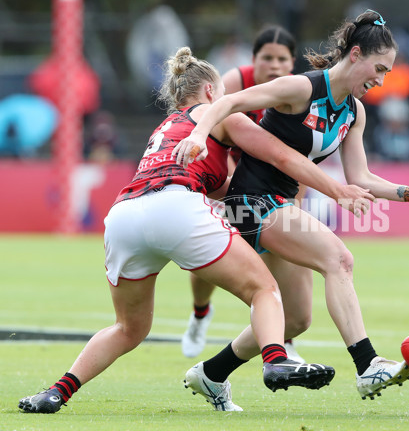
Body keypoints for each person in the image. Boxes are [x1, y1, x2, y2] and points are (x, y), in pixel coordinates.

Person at [18, 47, 378, 414]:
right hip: (176, 207)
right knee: (264, 289)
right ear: (210, 91)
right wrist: (337, 191)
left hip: (125, 217)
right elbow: (280, 155)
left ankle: (56, 392)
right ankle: (276, 359)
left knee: (129, 328)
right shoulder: (214, 112)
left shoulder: (165, 128)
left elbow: (224, 188)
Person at [172, 10, 409, 408]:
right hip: (249, 201)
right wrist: (200, 133)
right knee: (338, 258)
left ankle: (211, 374)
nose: (381, 80)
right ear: (355, 55)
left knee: (295, 320)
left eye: (388, 73)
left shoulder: (355, 112)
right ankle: (368, 363)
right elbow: (230, 102)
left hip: (280, 204)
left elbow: (361, 177)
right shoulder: (301, 88)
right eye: (379, 68)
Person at [181, 25, 305, 362]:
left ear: (292, 62)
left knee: (281, 253)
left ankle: (284, 337)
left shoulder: (299, 92)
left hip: (273, 183)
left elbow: (302, 157)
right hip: (223, 176)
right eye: (267, 58)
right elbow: (206, 132)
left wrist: (294, 205)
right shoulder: (233, 85)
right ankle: (200, 313)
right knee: (206, 259)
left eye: (282, 59)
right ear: (254, 60)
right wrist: (237, 191)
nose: (275, 66)